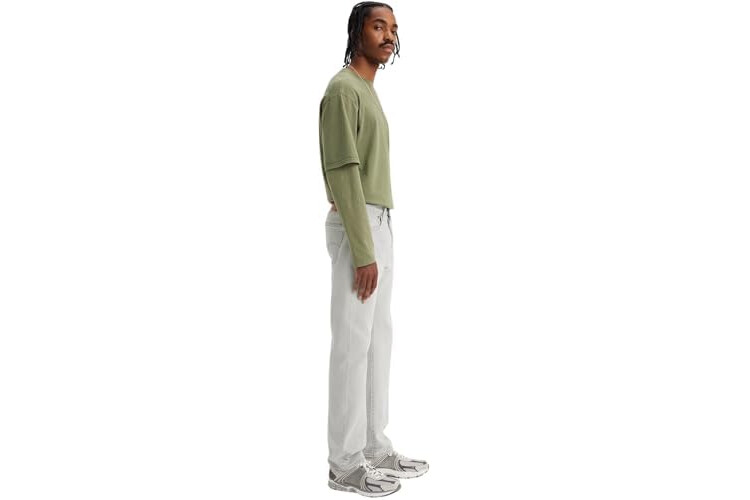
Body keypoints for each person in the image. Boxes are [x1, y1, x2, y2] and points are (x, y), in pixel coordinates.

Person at [318, 2, 428, 497]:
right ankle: (343, 464)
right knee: (352, 344)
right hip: (358, 222)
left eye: (394, 28)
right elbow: (342, 170)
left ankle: (372, 445)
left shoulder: (367, 90)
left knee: (377, 340)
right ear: (356, 32)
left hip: (379, 219)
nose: (389, 35)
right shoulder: (343, 90)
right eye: (378, 26)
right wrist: (363, 249)